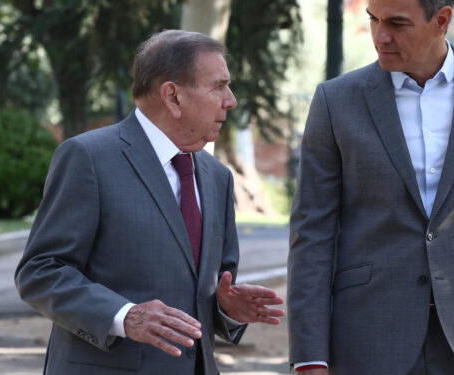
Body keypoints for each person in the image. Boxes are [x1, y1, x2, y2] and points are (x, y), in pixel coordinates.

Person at [287, 0, 454, 374]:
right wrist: (309, 356)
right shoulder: (335, 102)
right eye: (374, 20)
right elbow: (311, 233)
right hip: (369, 340)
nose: (380, 36)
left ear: (442, 20)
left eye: (398, 24)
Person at [15, 29, 285, 375]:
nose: (230, 100)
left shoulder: (218, 176)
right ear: (172, 96)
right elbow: (40, 271)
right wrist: (125, 316)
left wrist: (226, 309)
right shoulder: (88, 158)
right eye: (219, 86)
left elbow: (209, 287)